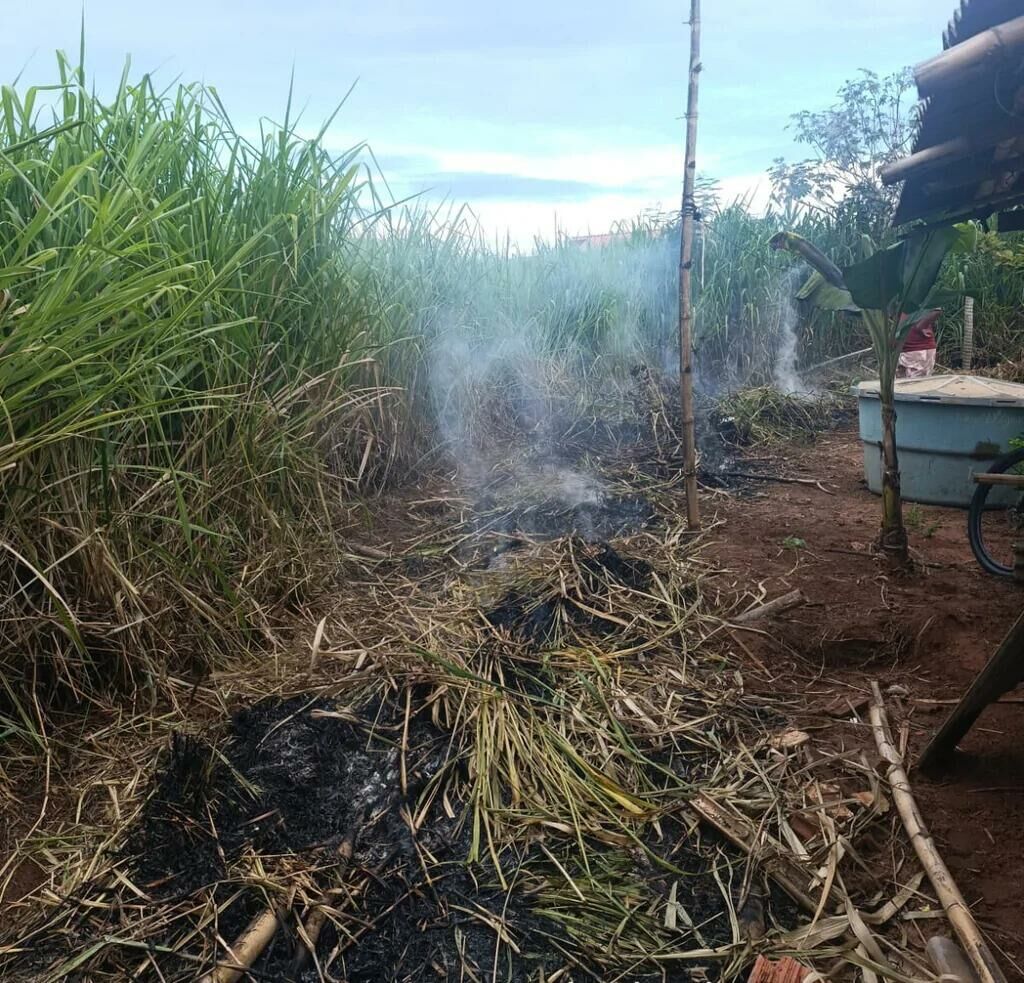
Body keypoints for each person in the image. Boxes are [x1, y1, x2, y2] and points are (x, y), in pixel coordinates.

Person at [897, 309, 940, 379]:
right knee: (902, 384)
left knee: (916, 384)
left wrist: (920, 326)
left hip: (918, 348)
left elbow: (937, 310)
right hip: (905, 348)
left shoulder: (918, 299)